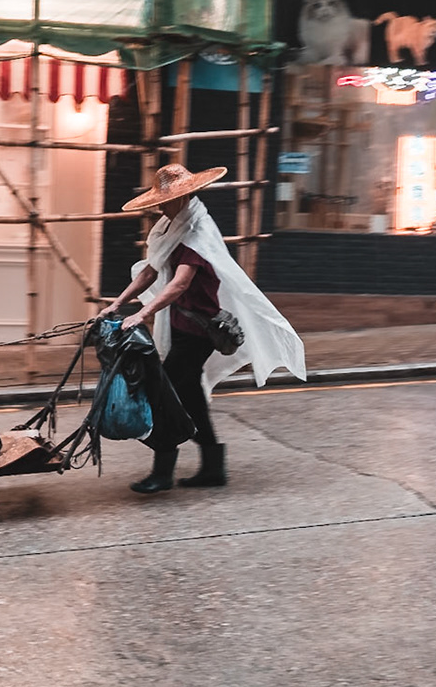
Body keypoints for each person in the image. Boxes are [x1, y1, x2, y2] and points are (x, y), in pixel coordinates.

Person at [100, 163, 306, 494]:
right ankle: (213, 466)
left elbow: (180, 283)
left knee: (165, 395)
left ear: (183, 197)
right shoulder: (170, 230)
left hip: (197, 331)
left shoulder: (196, 231)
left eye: (165, 200)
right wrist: (118, 302)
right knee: (191, 399)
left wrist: (143, 313)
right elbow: (150, 272)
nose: (159, 206)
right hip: (181, 325)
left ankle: (163, 471)